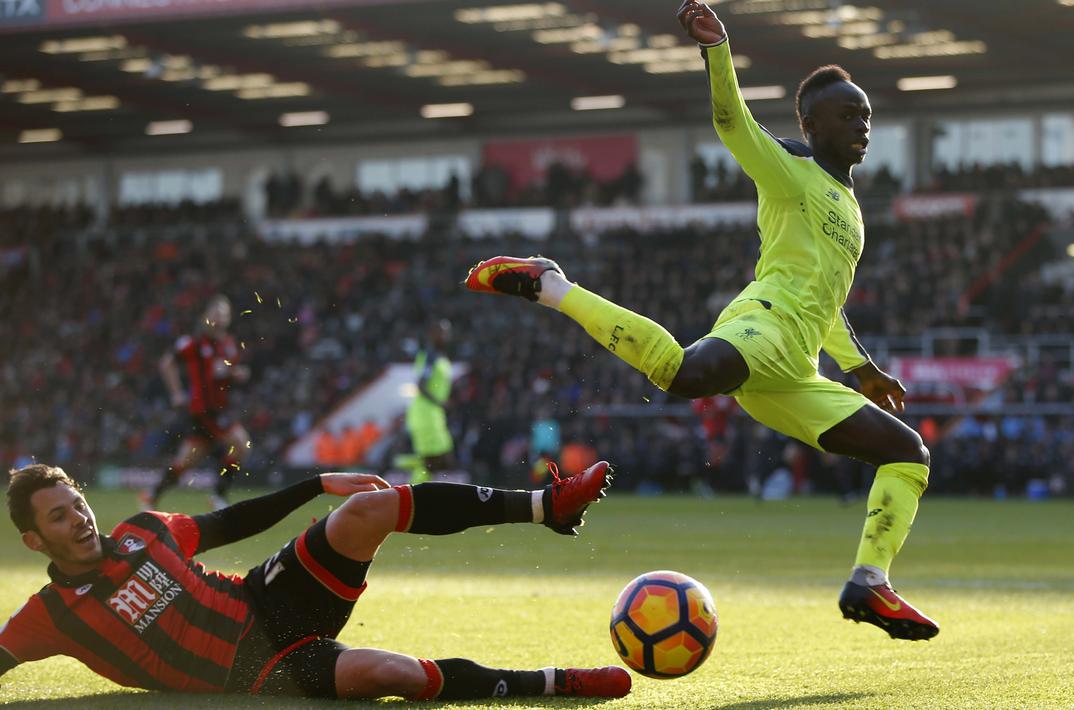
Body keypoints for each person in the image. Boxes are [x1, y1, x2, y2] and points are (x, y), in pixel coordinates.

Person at [464, 0, 937, 640]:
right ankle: (553, 286)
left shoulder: (850, 208)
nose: (863, 124)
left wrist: (860, 368)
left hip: (795, 371)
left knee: (907, 453)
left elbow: (827, 303)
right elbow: (733, 123)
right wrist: (718, 52)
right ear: (810, 123)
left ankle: (871, 583)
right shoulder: (791, 170)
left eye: (867, 115)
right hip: (762, 324)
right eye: (848, 114)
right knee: (683, 374)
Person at [1, 462, 629, 699]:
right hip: (265, 674)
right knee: (389, 674)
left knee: (365, 509)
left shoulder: (144, 532)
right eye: (59, 516)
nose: (79, 517)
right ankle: (555, 683)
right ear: (35, 541)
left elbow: (233, 519)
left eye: (76, 502)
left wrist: (319, 483)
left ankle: (547, 507)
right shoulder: (49, 615)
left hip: (264, 596)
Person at [142, 295, 249, 511]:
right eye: (216, 312)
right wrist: (177, 393)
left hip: (219, 409)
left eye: (224, 313)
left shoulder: (229, 344)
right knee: (241, 443)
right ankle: (218, 495)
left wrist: (236, 373)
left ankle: (151, 494)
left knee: (186, 461)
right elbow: (167, 363)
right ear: (206, 316)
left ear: (229, 318)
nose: (219, 317)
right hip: (205, 410)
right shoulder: (194, 342)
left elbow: (224, 373)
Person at [402, 320, 456, 485]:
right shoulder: (431, 355)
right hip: (426, 413)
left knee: (435, 461)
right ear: (432, 334)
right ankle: (403, 467)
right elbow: (421, 385)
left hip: (434, 413)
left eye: (447, 332)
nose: (445, 335)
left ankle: (414, 491)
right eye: (441, 331)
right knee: (438, 459)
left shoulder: (438, 356)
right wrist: (441, 403)